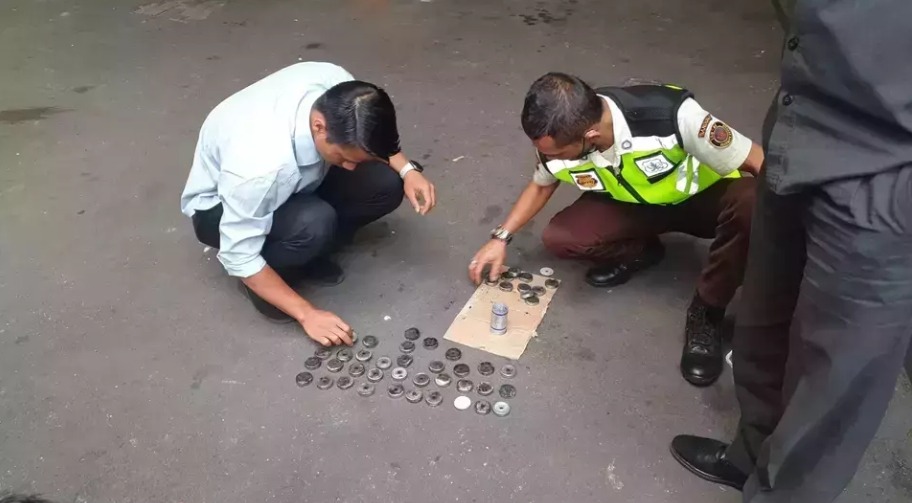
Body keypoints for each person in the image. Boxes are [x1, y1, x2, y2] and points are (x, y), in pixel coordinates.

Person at [670, 0, 912, 501]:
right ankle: (752, 459)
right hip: (801, 125)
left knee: (833, 382)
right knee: (764, 325)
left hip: (888, 172)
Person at [468, 73, 764, 386]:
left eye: (555, 154)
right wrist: (500, 238)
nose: (547, 158)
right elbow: (542, 184)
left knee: (753, 202)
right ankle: (644, 251)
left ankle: (708, 311)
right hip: (636, 206)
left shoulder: (672, 116)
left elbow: (760, 162)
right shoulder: (555, 137)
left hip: (702, 202)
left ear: (591, 135)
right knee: (562, 237)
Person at [180, 62, 436, 347]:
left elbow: (372, 134)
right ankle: (268, 281)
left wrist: (408, 170)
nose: (351, 167)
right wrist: (308, 315)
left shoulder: (341, 91)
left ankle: (311, 249)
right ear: (319, 127)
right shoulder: (256, 169)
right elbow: (238, 255)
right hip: (221, 209)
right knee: (313, 223)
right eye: (342, 157)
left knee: (388, 181)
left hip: (288, 181)